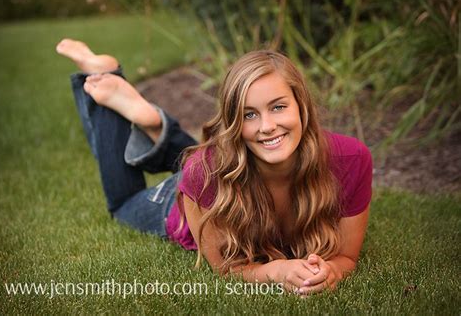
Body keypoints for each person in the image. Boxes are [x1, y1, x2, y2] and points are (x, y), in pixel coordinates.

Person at [56, 39, 372, 296]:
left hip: (230, 163)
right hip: (195, 195)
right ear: (233, 122)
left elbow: (346, 257)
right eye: (248, 114)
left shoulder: (350, 160)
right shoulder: (203, 175)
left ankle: (157, 126)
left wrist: (332, 271)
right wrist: (273, 271)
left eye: (278, 107)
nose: (267, 125)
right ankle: (103, 76)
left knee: (215, 157)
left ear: (302, 105)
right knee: (124, 204)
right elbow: (226, 268)